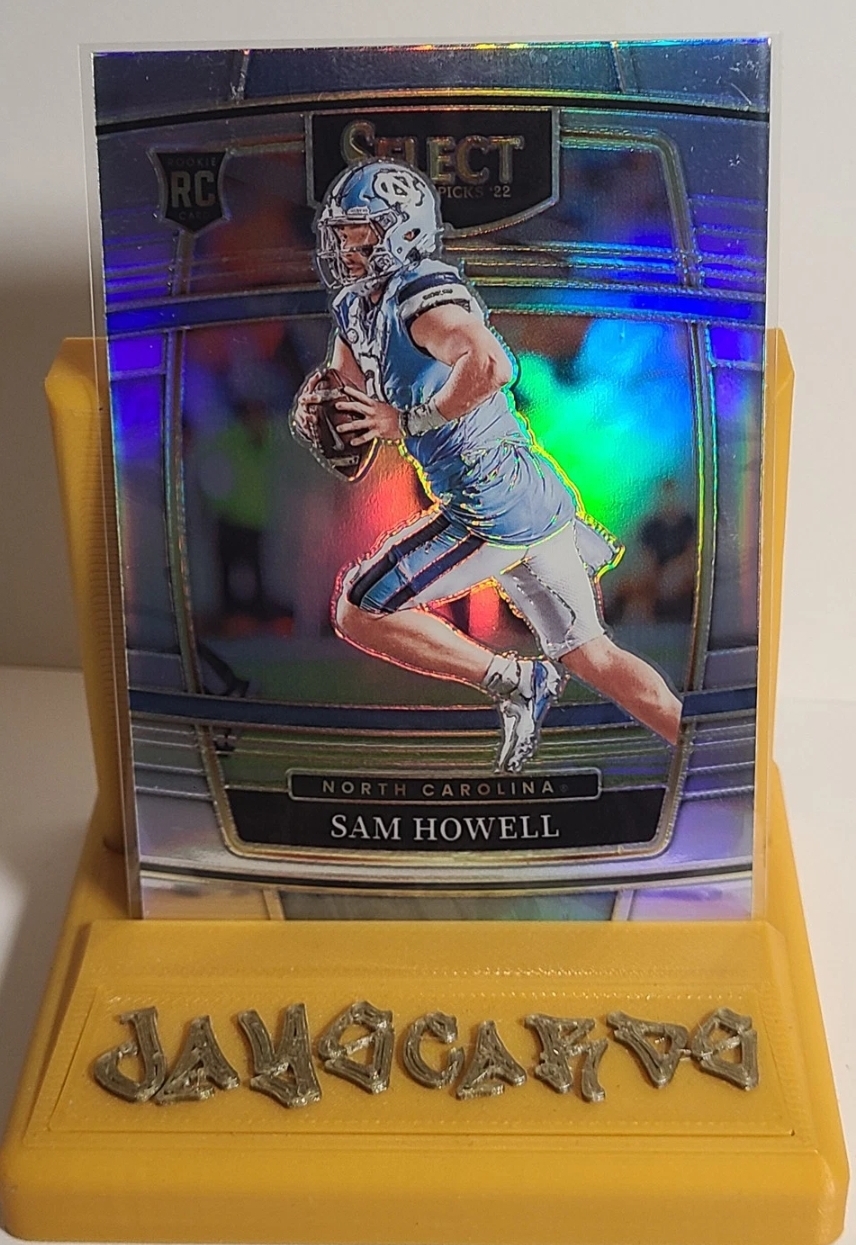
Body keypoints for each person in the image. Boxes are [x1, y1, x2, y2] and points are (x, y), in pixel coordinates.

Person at [292, 159, 681, 771]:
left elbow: (493, 364)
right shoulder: (357, 307)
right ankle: (694, 740)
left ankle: (515, 679)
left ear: (403, 232)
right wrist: (327, 408)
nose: (345, 248)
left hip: (492, 502)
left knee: (359, 609)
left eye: (360, 233)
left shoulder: (421, 296)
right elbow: (351, 390)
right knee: (593, 656)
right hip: (525, 493)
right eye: (341, 233)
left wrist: (409, 421)